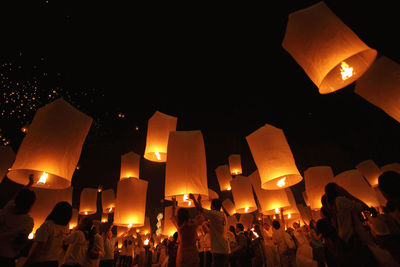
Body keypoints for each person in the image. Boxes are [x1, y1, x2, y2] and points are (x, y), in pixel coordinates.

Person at [0, 175, 36, 267]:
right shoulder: (28, 221)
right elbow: (20, 243)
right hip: (7, 257)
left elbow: (18, 196)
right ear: (31, 204)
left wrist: (29, 184)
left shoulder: (7, 209)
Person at [23, 201, 72, 267]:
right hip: (54, 262)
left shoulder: (48, 225)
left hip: (41, 261)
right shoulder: (66, 227)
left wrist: (28, 262)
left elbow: (39, 247)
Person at [189, 194, 229, 267]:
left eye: (211, 205)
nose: (210, 207)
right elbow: (202, 212)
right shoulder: (223, 215)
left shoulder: (215, 214)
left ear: (213, 206)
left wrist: (193, 199)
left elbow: (199, 209)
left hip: (218, 249)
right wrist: (199, 201)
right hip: (224, 248)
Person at [171, 196, 204, 267]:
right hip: (193, 253)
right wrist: (198, 201)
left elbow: (172, 216)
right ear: (188, 215)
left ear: (179, 217)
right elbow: (201, 215)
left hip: (182, 254)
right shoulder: (193, 224)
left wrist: (174, 203)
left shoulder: (179, 227)